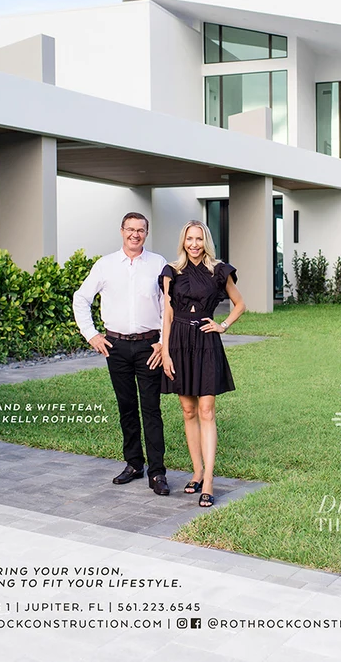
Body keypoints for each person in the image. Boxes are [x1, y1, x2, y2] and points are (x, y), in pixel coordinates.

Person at [73, 212, 170, 496]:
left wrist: (163, 342)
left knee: (151, 409)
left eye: (140, 230)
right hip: (115, 347)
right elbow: (81, 299)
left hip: (149, 346)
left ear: (146, 233)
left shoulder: (158, 263)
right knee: (126, 407)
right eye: (130, 229)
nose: (135, 235)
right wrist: (91, 334)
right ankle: (133, 463)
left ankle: (157, 473)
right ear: (121, 231)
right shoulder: (105, 265)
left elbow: (168, 306)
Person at [159, 220, 245, 508]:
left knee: (206, 410)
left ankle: (208, 479)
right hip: (179, 343)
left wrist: (223, 325)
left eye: (198, 239)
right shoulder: (171, 271)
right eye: (189, 239)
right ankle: (196, 470)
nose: (193, 244)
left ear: (205, 241)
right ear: (183, 241)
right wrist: (166, 351)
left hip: (206, 342)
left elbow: (240, 304)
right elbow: (167, 314)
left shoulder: (219, 271)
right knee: (187, 410)